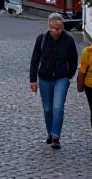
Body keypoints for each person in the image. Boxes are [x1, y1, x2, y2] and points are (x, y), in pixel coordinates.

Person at [29, 12, 79, 150]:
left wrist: (70, 75)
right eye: (52, 28)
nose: (55, 31)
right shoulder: (42, 39)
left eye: (58, 28)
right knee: (47, 108)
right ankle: (50, 132)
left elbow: (74, 60)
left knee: (58, 107)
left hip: (61, 78)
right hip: (44, 78)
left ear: (62, 26)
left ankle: (56, 135)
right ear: (48, 25)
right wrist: (33, 80)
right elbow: (35, 60)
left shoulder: (68, 40)